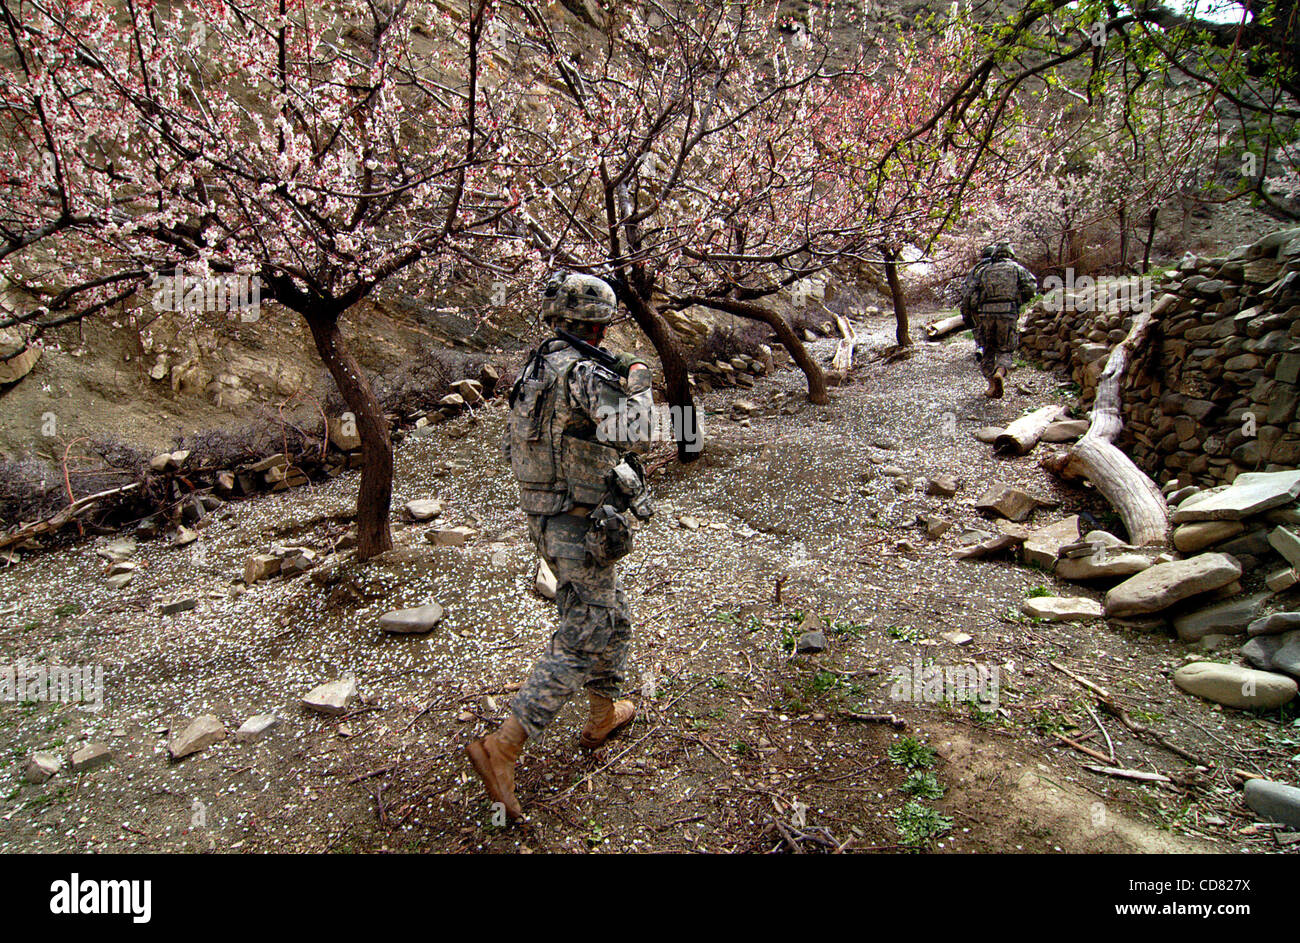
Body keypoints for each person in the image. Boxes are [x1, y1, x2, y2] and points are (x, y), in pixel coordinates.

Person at [468, 272, 654, 821]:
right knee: (588, 626)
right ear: (598, 323)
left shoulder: (534, 367)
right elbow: (637, 434)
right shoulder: (585, 370)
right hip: (579, 521)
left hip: (547, 517)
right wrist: (638, 381)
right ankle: (504, 744)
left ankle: (603, 712)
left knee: (611, 614)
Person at [964, 241, 1035, 398]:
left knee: (987, 349)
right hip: (1007, 313)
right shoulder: (1017, 268)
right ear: (1010, 254)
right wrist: (1019, 300)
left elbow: (969, 294)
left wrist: (968, 315)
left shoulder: (984, 271)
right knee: (1005, 348)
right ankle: (1000, 372)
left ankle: (991, 385)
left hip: (985, 315)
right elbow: (1031, 287)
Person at [959, 244, 996, 359]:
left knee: (979, 326)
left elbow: (967, 289)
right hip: (996, 303)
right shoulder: (999, 267)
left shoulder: (975, 269)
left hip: (977, 304)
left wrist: (966, 309)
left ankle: (981, 347)